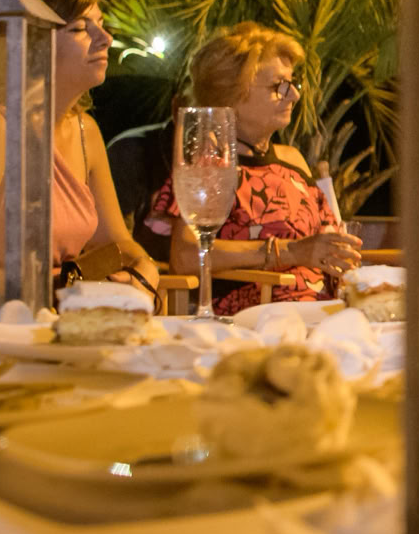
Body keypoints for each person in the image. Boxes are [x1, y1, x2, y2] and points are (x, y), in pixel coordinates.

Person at [0, 0, 161, 306]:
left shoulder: (84, 131)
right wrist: (62, 288)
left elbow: (114, 240)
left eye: (101, 23)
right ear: (30, 43)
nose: (105, 38)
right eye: (79, 28)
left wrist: (143, 267)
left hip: (57, 320)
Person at [145, 22, 360, 316]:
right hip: (259, 316)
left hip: (325, 310)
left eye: (293, 84)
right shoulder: (211, 162)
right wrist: (291, 252)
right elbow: (184, 256)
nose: (294, 96)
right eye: (279, 86)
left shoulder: (293, 160)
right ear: (232, 92)